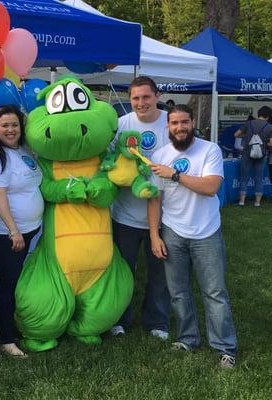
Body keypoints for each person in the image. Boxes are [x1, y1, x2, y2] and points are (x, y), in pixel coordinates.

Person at [148, 104, 238, 369]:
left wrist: (174, 174)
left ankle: (225, 348)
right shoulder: (160, 154)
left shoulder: (210, 150)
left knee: (215, 292)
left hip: (206, 232)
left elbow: (210, 187)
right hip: (172, 231)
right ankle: (188, 338)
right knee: (178, 292)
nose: (179, 128)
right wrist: (154, 235)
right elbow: (154, 199)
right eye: (174, 123)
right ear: (168, 126)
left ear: (192, 122)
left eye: (184, 122)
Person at [110, 76, 170, 340]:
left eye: (146, 97)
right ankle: (120, 319)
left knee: (160, 271)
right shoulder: (122, 124)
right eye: (136, 98)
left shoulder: (171, 122)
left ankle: (156, 321)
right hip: (126, 215)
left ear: (156, 95)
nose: (141, 103)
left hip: (166, 216)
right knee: (123, 271)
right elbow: (109, 160)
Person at [0, 105, 43, 358]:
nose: (10, 130)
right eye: (5, 125)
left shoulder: (24, 151)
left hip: (29, 230)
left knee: (11, 280)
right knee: (9, 284)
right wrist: (13, 230)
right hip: (4, 233)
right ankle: (8, 338)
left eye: (15, 124)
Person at [234, 106, 272, 206]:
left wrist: (247, 138)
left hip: (246, 153)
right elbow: (271, 144)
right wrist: (263, 143)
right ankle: (257, 202)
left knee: (244, 177)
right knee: (259, 178)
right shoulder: (269, 127)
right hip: (262, 155)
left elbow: (236, 134)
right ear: (268, 116)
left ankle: (242, 201)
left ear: (258, 113)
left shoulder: (249, 123)